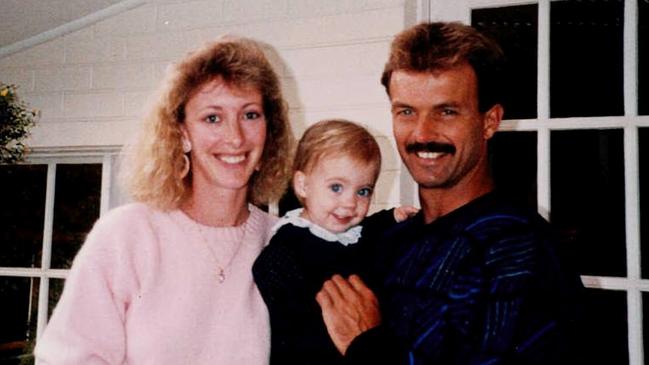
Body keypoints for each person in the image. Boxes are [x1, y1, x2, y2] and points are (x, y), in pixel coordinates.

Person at [315, 22, 584, 364]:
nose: (422, 133)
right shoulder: (391, 241)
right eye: (406, 112)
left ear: (490, 121)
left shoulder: (518, 251)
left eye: (446, 111)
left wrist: (367, 344)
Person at [34, 37, 293, 364]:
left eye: (251, 115)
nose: (235, 137)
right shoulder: (128, 233)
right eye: (213, 117)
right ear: (182, 133)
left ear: (269, 130)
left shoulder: (284, 242)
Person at [252, 119, 418, 365]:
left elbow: (369, 229)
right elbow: (287, 318)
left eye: (363, 191)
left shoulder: (352, 233)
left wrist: (392, 216)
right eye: (336, 187)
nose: (350, 203)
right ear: (303, 185)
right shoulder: (287, 248)